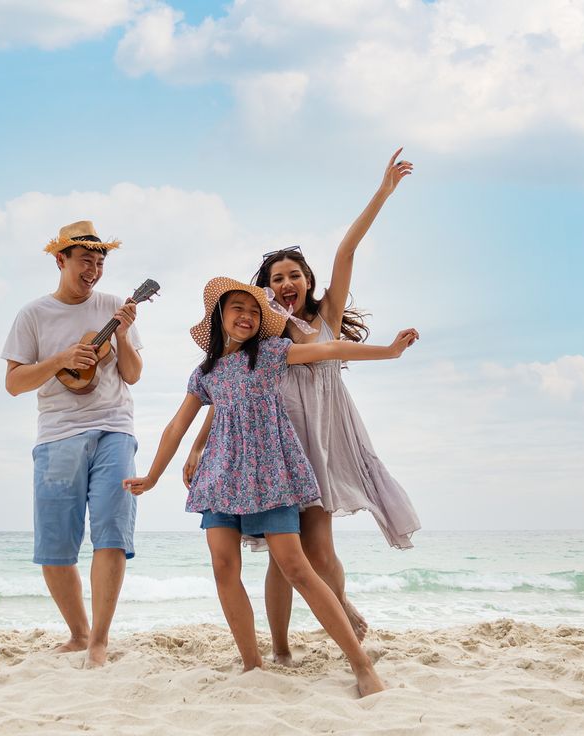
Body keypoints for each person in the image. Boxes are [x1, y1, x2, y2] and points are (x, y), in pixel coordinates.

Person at [123, 277, 418, 697]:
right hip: (220, 478)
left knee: (296, 568)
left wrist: (389, 351)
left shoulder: (272, 354)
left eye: (253, 309)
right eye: (236, 308)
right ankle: (252, 664)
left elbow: (330, 349)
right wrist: (152, 476)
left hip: (271, 476)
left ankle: (362, 666)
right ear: (219, 318)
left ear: (261, 321)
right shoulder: (204, 373)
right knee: (224, 568)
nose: (245, 315)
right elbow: (177, 425)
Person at [183, 149, 420, 665]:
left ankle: (343, 621)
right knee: (283, 555)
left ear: (308, 281)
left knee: (319, 551)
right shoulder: (262, 341)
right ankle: (285, 647)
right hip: (278, 448)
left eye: (294, 275)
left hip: (329, 438)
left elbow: (348, 248)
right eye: (276, 279)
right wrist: (199, 447)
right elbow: (224, 397)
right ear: (265, 291)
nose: (286, 284)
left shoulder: (326, 321)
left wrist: (383, 190)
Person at [1, 220, 143, 668]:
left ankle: (99, 641)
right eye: (86, 261)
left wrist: (120, 334)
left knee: (112, 532)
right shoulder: (33, 315)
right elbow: (13, 383)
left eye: (100, 263)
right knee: (56, 544)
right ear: (60, 260)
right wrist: (61, 359)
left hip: (114, 427)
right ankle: (79, 634)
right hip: (57, 433)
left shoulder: (115, 306)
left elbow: (134, 375)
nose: (94, 271)